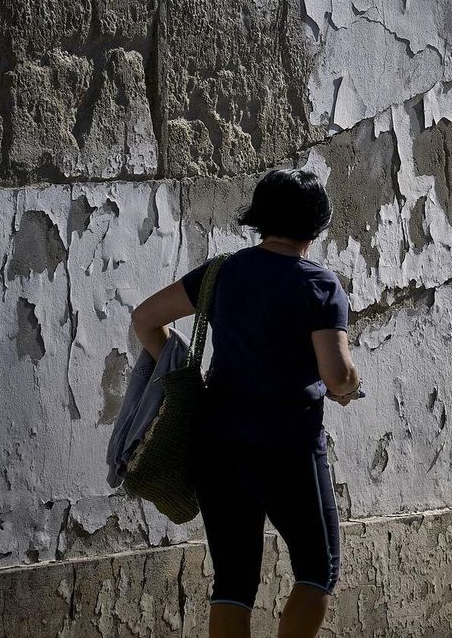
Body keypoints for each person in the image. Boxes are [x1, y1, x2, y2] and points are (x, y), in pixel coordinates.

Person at [130, 168, 362, 638]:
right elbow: (335, 373)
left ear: (260, 217)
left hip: (218, 446)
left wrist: (186, 378)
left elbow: (145, 319)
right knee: (318, 571)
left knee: (234, 581)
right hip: (289, 448)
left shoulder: (222, 272)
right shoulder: (318, 284)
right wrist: (348, 386)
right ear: (316, 224)